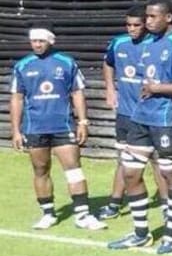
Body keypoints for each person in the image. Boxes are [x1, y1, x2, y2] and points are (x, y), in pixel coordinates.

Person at [107, 0, 172, 253]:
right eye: (146, 17)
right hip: (140, 116)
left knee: (170, 173)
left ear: (168, 17)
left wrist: (157, 88)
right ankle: (141, 233)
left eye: (152, 17)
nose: (147, 22)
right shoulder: (149, 43)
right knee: (130, 173)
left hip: (167, 118)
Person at [10, 23, 105, 231]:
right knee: (40, 169)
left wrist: (83, 121)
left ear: (50, 40)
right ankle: (48, 213)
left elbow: (77, 93)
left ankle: (82, 215)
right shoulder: (23, 66)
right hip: (35, 128)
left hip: (63, 126)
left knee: (74, 169)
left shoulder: (66, 62)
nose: (37, 44)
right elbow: (17, 99)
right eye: (34, 41)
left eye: (41, 41)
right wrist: (16, 130)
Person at [99, 6, 168, 221]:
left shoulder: (155, 44)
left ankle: (167, 205)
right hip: (126, 113)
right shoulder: (118, 43)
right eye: (128, 25)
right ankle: (114, 203)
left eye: (136, 25)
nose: (132, 29)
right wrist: (110, 88)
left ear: (146, 25)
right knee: (124, 159)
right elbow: (108, 63)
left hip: (151, 113)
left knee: (158, 160)